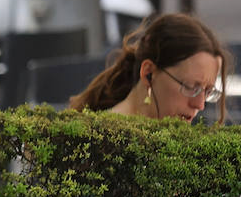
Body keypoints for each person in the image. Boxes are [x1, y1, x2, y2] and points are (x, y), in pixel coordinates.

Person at [69, 12, 231, 124]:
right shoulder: (103, 143)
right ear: (148, 73)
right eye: (191, 87)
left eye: (208, 91)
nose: (200, 105)